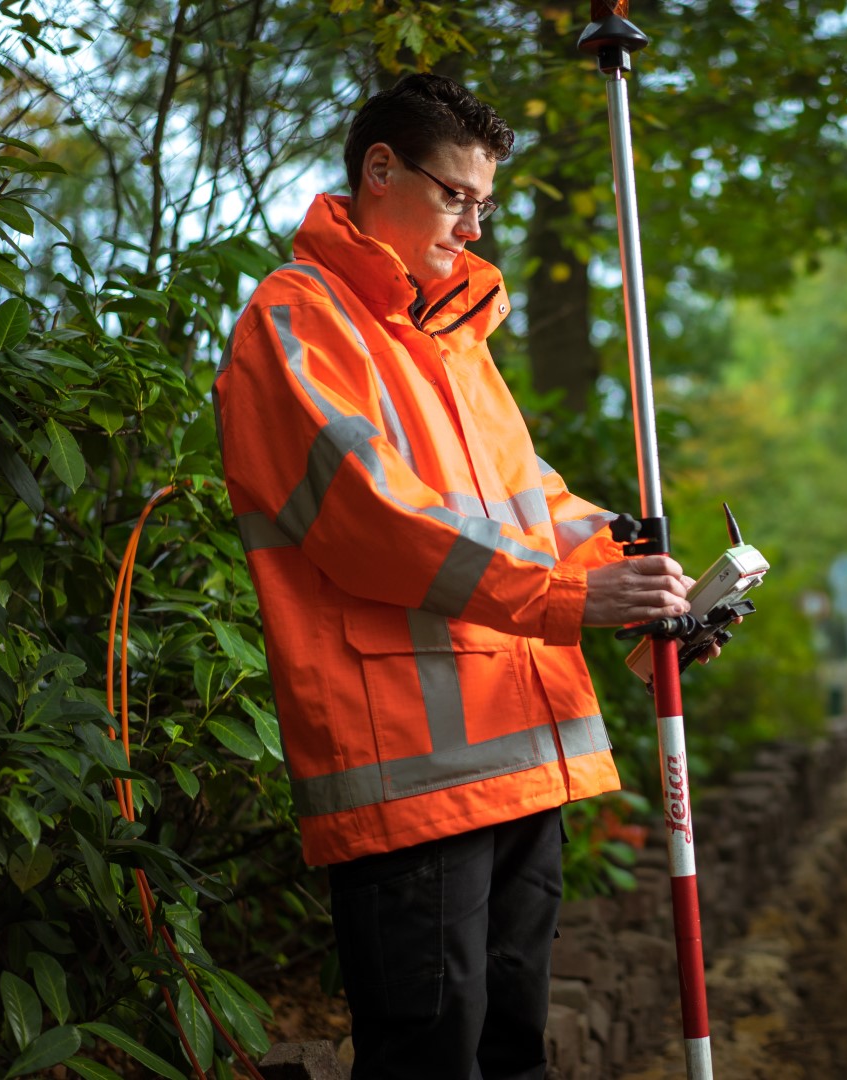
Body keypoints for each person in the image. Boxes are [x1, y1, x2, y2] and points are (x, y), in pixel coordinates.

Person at [214, 73, 700, 1079]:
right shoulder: (297, 323)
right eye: (456, 197)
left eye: (485, 205)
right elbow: (375, 522)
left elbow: (535, 507)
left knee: (514, 1050)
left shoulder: (456, 344)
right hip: (414, 776)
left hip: (523, 757)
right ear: (379, 171)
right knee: (432, 1059)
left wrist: (639, 573)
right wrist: (569, 602)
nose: (473, 228)